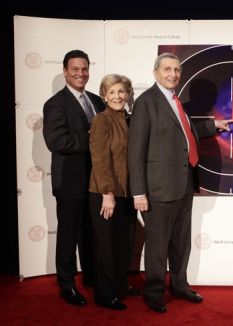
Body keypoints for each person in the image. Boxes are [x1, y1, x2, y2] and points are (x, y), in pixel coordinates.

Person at [127, 52, 233, 314]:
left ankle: (179, 285)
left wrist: (213, 126)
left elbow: (185, 134)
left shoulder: (175, 101)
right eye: (167, 69)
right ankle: (153, 292)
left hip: (184, 183)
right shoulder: (146, 102)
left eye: (176, 70)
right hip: (158, 189)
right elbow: (136, 150)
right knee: (157, 244)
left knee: (180, 242)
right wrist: (138, 191)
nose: (173, 74)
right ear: (155, 73)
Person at [43, 49, 105, 306]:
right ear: (65, 71)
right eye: (75, 69)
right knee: (68, 236)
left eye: (85, 69)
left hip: (96, 181)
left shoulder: (96, 100)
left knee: (92, 234)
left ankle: (91, 277)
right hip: (70, 182)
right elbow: (56, 141)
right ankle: (67, 284)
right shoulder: (56, 104)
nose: (81, 73)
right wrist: (92, 139)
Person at [88, 74, 140, 311]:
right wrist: (108, 194)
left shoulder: (130, 119)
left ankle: (120, 284)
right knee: (106, 245)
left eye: (121, 92)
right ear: (104, 96)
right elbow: (99, 159)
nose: (117, 96)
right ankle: (104, 292)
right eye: (112, 92)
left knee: (124, 243)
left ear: (127, 94)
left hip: (127, 192)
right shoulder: (102, 120)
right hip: (105, 193)